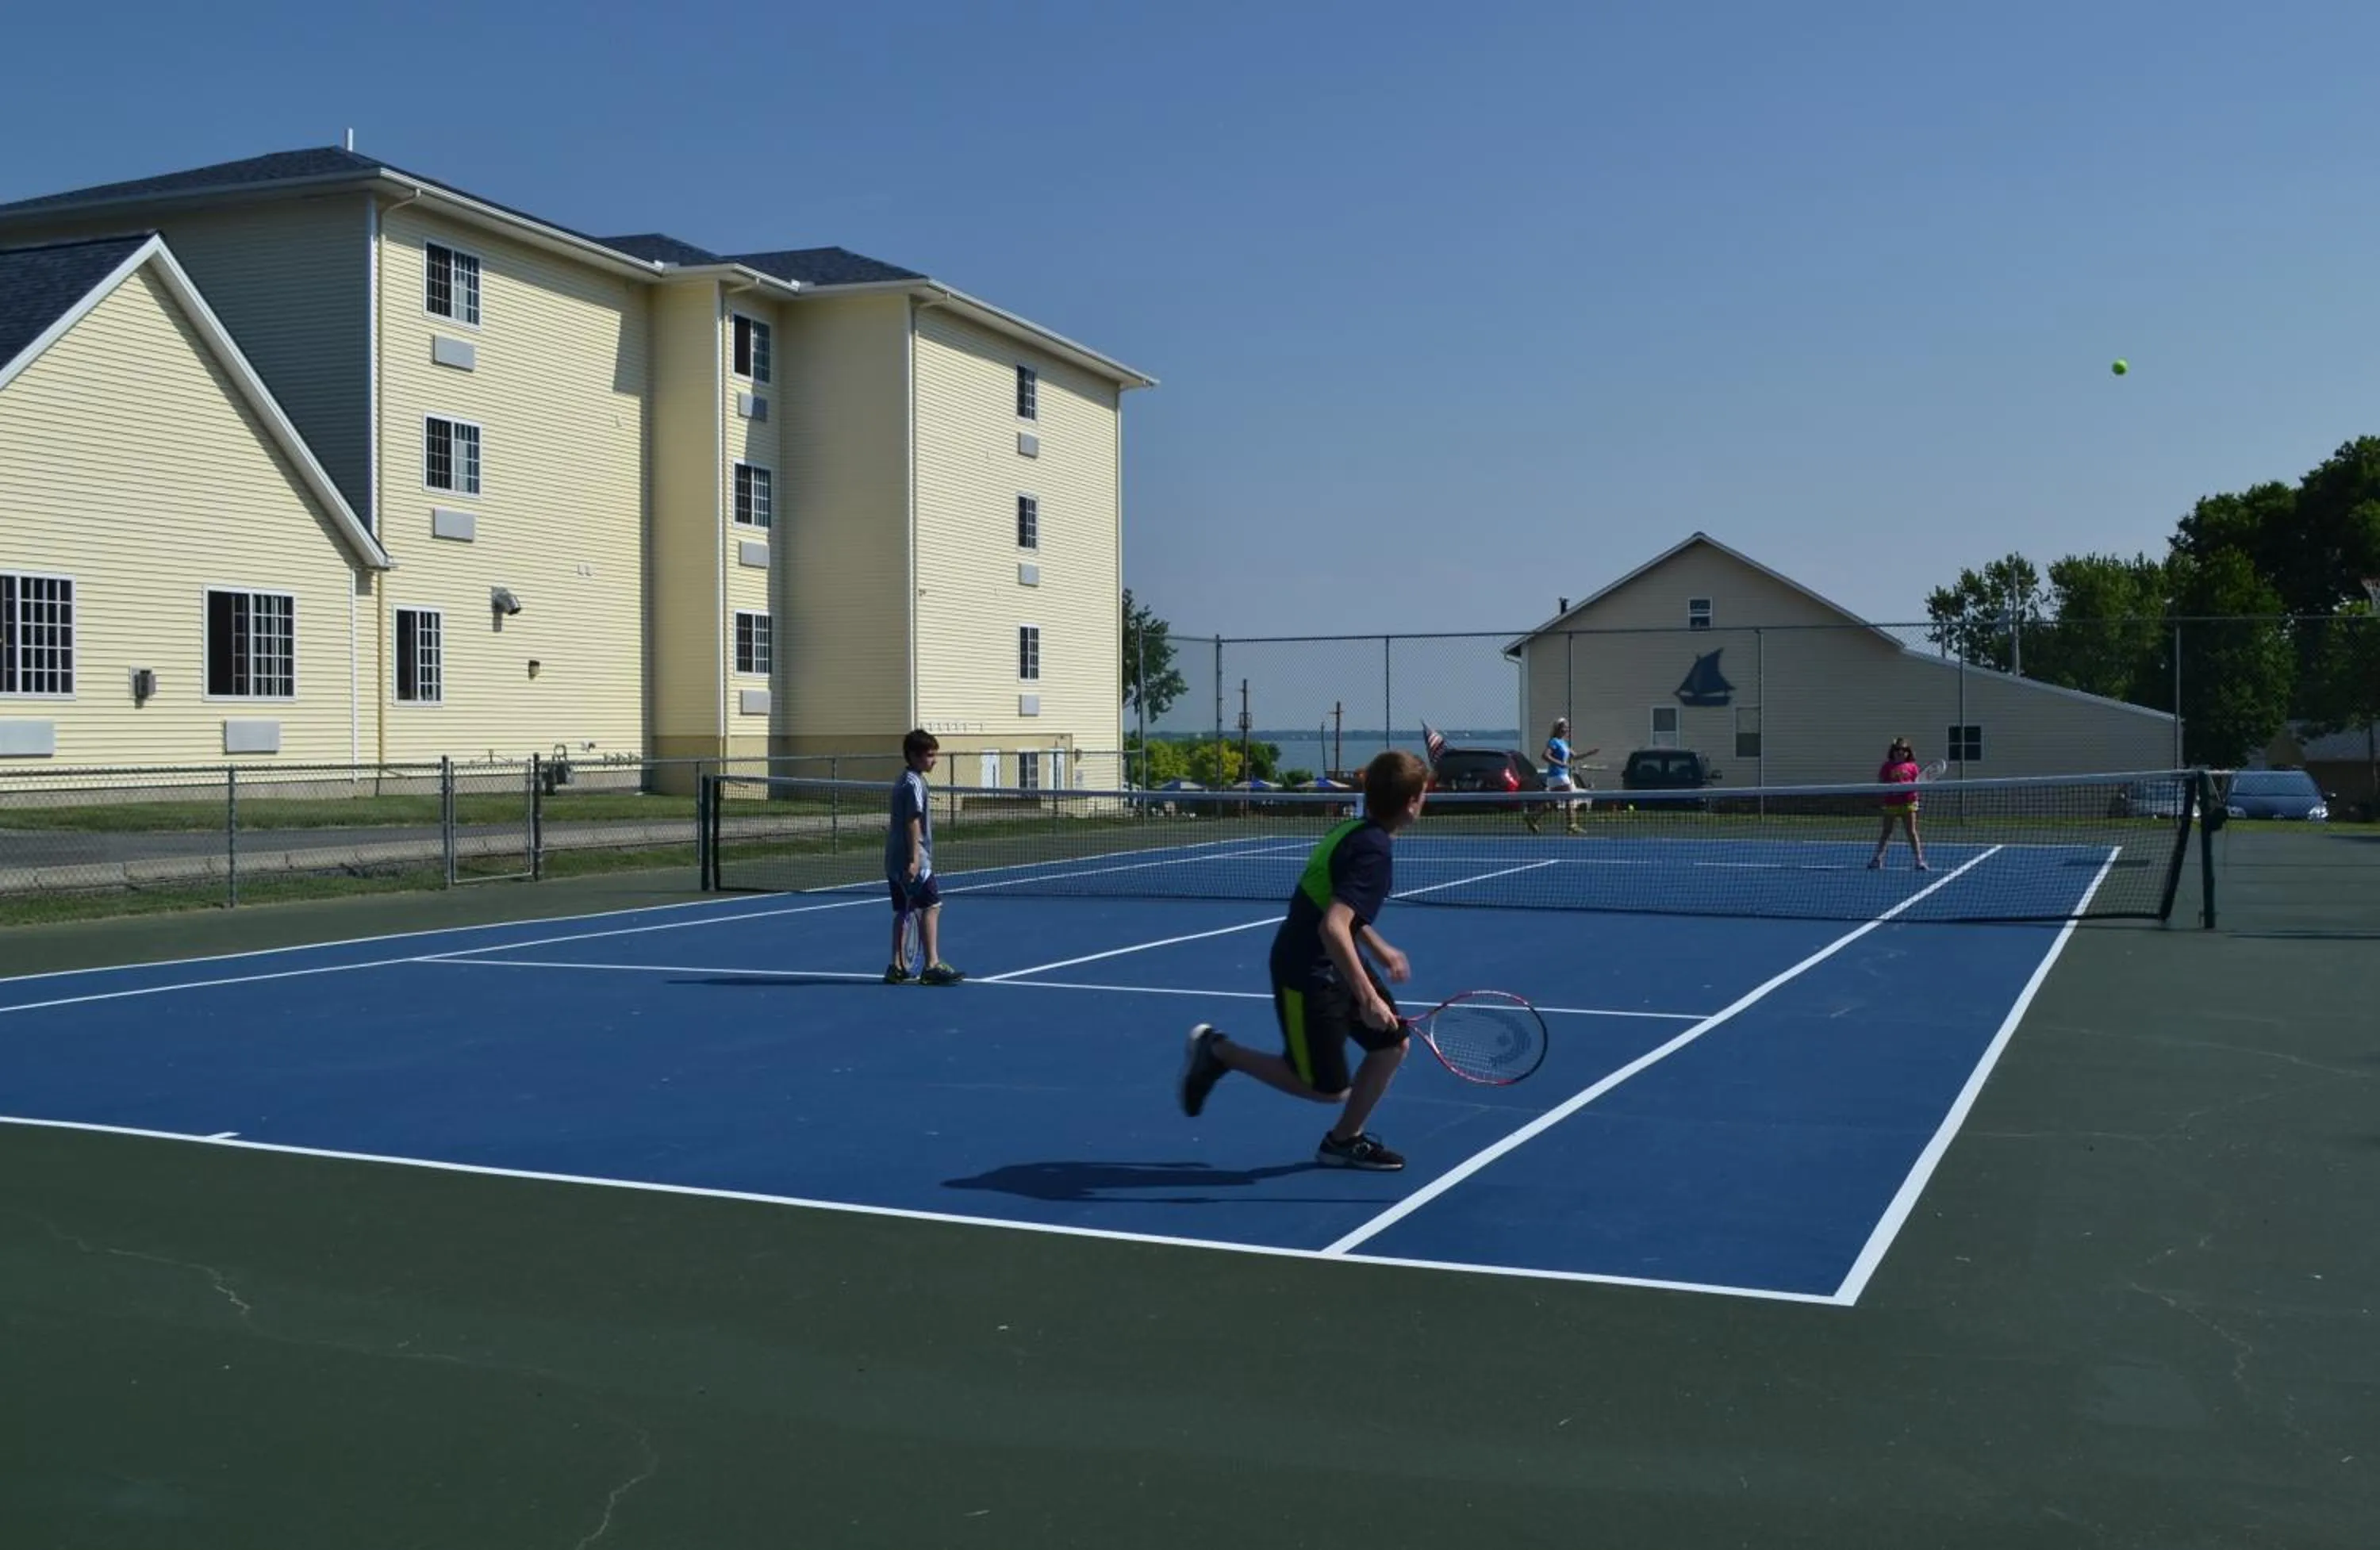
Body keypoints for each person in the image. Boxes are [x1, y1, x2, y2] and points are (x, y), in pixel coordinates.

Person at [1175, 748, 1428, 1170]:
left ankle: (1344, 1141)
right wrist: (1368, 997)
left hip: (1334, 962)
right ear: (1411, 802)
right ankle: (1219, 1052)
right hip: (1305, 970)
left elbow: (1334, 906)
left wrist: (1378, 949)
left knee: (1392, 1046)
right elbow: (1332, 926)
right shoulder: (1374, 853)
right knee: (1329, 1089)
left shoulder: (1352, 831)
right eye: (1423, 792)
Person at [885, 728, 964, 984]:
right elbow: (912, 821)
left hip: (894, 859)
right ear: (914, 756)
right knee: (931, 906)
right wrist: (915, 860)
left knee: (902, 911)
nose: (934, 760)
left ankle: (896, 966)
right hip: (913, 858)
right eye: (929, 755)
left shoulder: (902, 781)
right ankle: (931, 965)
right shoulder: (914, 784)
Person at [1868, 736, 1929, 872]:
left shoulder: (1912, 767)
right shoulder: (1887, 766)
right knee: (1886, 831)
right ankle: (1877, 859)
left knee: (1911, 832)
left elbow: (1916, 785)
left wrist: (1907, 790)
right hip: (1891, 804)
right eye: (1897, 750)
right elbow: (1882, 783)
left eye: (1904, 750)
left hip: (1908, 803)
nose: (1900, 752)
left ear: (1908, 752)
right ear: (1893, 751)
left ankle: (1919, 860)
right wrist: (1891, 790)